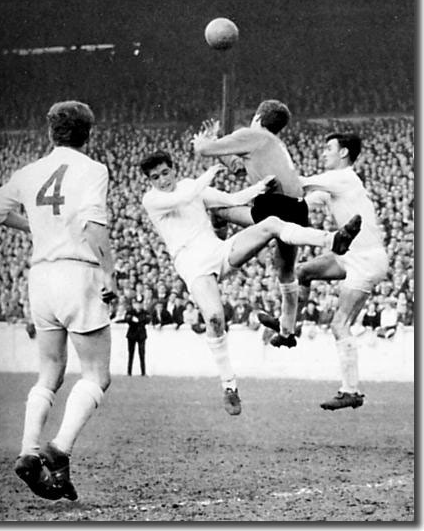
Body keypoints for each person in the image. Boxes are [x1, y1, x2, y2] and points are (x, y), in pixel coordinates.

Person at [140, 150, 360, 415]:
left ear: (173, 169)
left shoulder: (190, 186)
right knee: (213, 318)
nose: (163, 180)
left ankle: (331, 240)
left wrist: (259, 187)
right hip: (192, 265)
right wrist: (210, 173)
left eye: (166, 173)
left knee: (271, 224)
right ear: (150, 181)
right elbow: (184, 197)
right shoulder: (152, 199)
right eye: (156, 177)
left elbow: (232, 199)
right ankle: (229, 386)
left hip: (219, 252)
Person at [0, 101, 117, 501]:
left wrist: (35, 227)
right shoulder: (93, 169)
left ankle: (28, 451)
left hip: (41, 277)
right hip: (78, 272)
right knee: (96, 375)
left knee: (49, 373)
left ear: (50, 132)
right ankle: (59, 447)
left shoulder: (30, 172)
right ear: (87, 133)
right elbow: (94, 227)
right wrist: (109, 273)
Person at [192, 99, 360, 349]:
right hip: (297, 206)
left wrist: (203, 140)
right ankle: (287, 331)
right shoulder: (273, 144)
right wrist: (223, 152)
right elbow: (239, 168)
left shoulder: (253, 134)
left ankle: (216, 251)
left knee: (216, 208)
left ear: (258, 117)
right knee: (285, 271)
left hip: (274, 204)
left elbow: (204, 150)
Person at [295, 131, 388, 410]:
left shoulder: (343, 178)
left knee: (339, 325)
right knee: (303, 272)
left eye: (328, 148)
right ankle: (288, 328)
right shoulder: (336, 185)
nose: (323, 153)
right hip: (351, 255)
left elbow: (298, 184)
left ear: (344, 153)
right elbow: (304, 201)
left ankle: (351, 391)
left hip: (366, 259)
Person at [125, 297, 150, 376]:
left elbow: (147, 320)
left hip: (141, 335)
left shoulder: (145, 312)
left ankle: (143, 372)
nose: (138, 306)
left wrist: (137, 319)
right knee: (130, 354)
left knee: (142, 354)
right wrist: (133, 319)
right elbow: (127, 319)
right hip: (132, 334)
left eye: (139, 304)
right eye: (136, 304)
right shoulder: (130, 312)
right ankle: (129, 372)